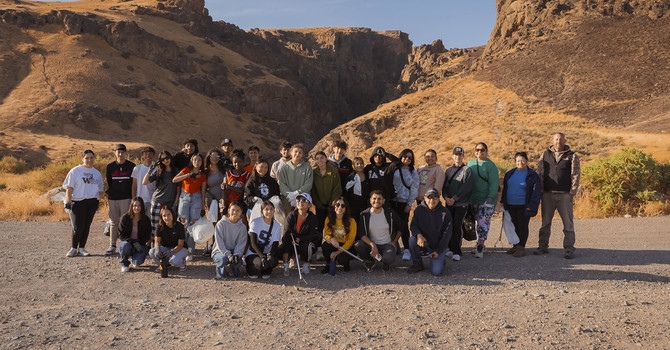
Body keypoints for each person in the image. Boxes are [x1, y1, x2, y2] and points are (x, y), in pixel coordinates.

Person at [535, 132, 581, 259]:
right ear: (552, 140)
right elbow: (540, 173)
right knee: (545, 223)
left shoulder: (572, 156)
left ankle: (569, 248)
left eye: (561, 140)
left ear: (565, 141)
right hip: (548, 194)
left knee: (568, 223)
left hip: (565, 195)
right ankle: (543, 246)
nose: (558, 142)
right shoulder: (545, 155)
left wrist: (572, 192)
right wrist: (540, 191)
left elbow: (576, 175)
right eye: (556, 140)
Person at [63, 149, 104, 257]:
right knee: (78, 226)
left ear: (94, 158)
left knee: (87, 225)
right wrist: (68, 201)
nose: (89, 160)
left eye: (91, 158)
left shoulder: (97, 173)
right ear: (82, 159)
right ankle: (73, 248)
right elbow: (69, 187)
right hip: (78, 201)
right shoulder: (75, 171)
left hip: (92, 202)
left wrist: (98, 201)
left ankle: (82, 248)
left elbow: (100, 189)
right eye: (87, 158)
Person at [501, 152, 542, 257]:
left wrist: (531, 206)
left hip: (524, 205)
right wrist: (503, 202)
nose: (520, 162)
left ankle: (521, 247)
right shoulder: (510, 173)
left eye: (523, 160)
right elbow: (505, 189)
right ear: (515, 162)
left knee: (522, 226)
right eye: (518, 161)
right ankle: (515, 246)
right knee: (513, 226)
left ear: (527, 161)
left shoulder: (532, 175)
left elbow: (535, 192)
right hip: (510, 205)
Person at [354, 190, 402, 271]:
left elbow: (401, 227)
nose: (376, 201)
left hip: (386, 245)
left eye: (379, 199)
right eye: (374, 198)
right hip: (371, 245)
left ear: (383, 201)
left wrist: (394, 241)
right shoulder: (364, 215)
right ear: (370, 200)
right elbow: (362, 234)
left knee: (389, 258)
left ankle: (385, 262)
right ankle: (370, 261)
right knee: (358, 245)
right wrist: (372, 245)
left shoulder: (390, 213)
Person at [407, 189, 452, 276]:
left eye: (435, 197)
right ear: (424, 198)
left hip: (437, 245)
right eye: (429, 197)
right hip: (424, 242)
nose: (432, 200)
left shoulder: (445, 212)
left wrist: (438, 251)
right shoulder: (418, 210)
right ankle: (417, 263)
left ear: (439, 199)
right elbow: (413, 226)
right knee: (412, 239)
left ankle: (441, 259)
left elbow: (447, 234)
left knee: (436, 272)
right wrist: (419, 235)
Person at [466, 142, 499, 259]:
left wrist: (490, 198)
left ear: (486, 151)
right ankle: (480, 244)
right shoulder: (470, 163)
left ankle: (480, 246)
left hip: (486, 201)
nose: (480, 152)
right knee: (475, 223)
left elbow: (494, 184)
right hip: (472, 199)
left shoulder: (491, 166)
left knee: (483, 223)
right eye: (477, 150)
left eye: (482, 150)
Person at [172, 153, 207, 258]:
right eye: (195, 159)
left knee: (193, 224)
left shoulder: (203, 175)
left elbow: (203, 191)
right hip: (185, 196)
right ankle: (182, 247)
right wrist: (188, 175)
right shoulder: (186, 169)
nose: (197, 162)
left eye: (199, 160)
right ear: (192, 161)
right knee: (183, 223)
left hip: (196, 198)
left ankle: (190, 250)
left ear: (202, 162)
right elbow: (174, 180)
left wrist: (203, 206)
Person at [442, 147, 474, 261]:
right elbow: (444, 186)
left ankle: (457, 251)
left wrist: (454, 199)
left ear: (463, 156)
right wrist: (445, 197)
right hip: (449, 203)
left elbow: (466, 188)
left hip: (461, 203)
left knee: (457, 226)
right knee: (449, 225)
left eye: (460, 155)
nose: (458, 157)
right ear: (452, 156)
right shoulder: (449, 170)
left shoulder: (467, 170)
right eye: (456, 154)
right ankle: (450, 249)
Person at [278, 193, 320, 276]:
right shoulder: (291, 215)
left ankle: (306, 263)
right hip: (292, 242)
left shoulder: (312, 218)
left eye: (304, 200)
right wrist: (292, 239)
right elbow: (287, 232)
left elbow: (314, 235)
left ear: (309, 205)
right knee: (279, 250)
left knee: (307, 246)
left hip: (305, 242)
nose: (300, 202)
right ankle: (288, 262)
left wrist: (301, 239)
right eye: (298, 200)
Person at [105, 144, 136, 256]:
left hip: (126, 198)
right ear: (115, 153)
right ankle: (112, 245)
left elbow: (133, 182)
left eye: (123, 152)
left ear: (126, 153)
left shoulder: (131, 166)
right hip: (113, 198)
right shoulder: (110, 166)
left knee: (126, 221)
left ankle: (125, 244)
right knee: (114, 222)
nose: (120, 154)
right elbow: (109, 182)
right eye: (118, 152)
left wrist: (132, 198)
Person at [392, 149, 419, 261]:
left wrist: (409, 204)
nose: (407, 159)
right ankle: (394, 247)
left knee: (403, 225)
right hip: (393, 201)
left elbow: (414, 188)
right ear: (401, 156)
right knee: (392, 225)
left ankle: (407, 249)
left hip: (404, 202)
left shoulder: (413, 172)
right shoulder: (394, 169)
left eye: (409, 158)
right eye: (405, 156)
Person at [142, 151, 178, 235]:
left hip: (170, 203)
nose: (166, 160)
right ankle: (155, 246)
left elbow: (178, 190)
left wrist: (175, 203)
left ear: (170, 158)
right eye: (163, 159)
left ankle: (166, 246)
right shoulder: (158, 171)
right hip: (157, 202)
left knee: (169, 226)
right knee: (155, 227)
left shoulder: (176, 172)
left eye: (167, 158)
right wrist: (150, 169)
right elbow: (145, 182)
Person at [246, 201, 282, 279]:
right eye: (266, 209)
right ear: (262, 211)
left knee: (273, 261)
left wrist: (271, 256)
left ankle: (266, 270)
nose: (269, 211)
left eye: (271, 209)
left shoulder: (277, 225)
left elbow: (275, 243)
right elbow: (253, 243)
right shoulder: (255, 222)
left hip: (266, 252)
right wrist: (262, 257)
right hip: (254, 252)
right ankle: (251, 269)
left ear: (274, 210)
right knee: (257, 265)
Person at [211, 202, 248, 279]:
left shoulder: (242, 227)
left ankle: (233, 268)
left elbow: (241, 244)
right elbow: (219, 243)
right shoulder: (220, 224)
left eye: (238, 210)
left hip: (234, 252)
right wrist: (228, 255)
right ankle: (219, 270)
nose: (235, 212)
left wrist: (236, 255)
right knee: (223, 260)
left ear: (241, 212)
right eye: (233, 210)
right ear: (228, 210)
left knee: (237, 262)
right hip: (220, 251)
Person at [321, 197, 357, 275]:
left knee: (342, 259)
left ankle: (346, 264)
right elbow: (326, 235)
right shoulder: (328, 219)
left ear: (346, 209)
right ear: (334, 206)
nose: (340, 207)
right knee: (325, 245)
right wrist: (331, 239)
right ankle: (328, 264)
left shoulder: (352, 221)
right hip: (334, 243)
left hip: (345, 245)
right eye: (337, 205)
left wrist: (338, 252)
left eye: (343, 206)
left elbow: (351, 240)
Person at [117, 197, 152, 272]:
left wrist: (139, 243)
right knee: (125, 246)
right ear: (131, 206)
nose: (137, 208)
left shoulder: (146, 220)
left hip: (140, 244)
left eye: (139, 206)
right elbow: (121, 235)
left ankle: (134, 258)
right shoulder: (125, 218)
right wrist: (133, 242)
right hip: (128, 242)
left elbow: (147, 236)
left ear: (142, 207)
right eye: (135, 205)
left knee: (137, 263)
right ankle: (124, 263)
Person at [149, 207, 188, 271]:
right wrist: (157, 249)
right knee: (152, 252)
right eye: (164, 215)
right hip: (166, 248)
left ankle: (182, 264)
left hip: (179, 248)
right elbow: (157, 241)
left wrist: (172, 252)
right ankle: (164, 265)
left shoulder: (179, 226)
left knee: (174, 261)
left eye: (168, 214)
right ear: (161, 217)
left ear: (172, 214)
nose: (167, 218)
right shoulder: (159, 226)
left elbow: (180, 245)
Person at [311, 151, 342, 233]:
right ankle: (319, 245)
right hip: (319, 206)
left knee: (331, 226)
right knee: (320, 226)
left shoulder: (333, 171)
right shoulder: (313, 173)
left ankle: (331, 244)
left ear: (326, 159)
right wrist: (318, 204)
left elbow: (337, 189)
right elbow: (312, 190)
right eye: (317, 158)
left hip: (331, 206)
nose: (319, 160)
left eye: (322, 158)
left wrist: (332, 203)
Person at [203, 148, 226, 256]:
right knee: (212, 222)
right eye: (213, 156)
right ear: (209, 157)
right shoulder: (205, 170)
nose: (215, 159)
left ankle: (220, 244)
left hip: (222, 199)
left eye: (217, 156)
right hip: (210, 199)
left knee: (221, 222)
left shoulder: (223, 169)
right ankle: (211, 245)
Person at [278, 143, 313, 207]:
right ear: (291, 153)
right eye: (295, 151)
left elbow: (308, 184)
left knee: (302, 216)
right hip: (287, 199)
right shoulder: (284, 168)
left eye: (300, 153)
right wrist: (289, 195)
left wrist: (297, 193)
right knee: (289, 216)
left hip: (303, 199)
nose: (297, 154)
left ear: (302, 155)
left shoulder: (307, 168)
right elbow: (282, 183)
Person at [221, 150, 250, 216]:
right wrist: (224, 205)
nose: (237, 164)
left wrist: (229, 187)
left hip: (240, 204)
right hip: (228, 203)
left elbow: (243, 190)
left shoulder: (247, 175)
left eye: (239, 162)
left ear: (243, 161)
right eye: (235, 162)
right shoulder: (228, 174)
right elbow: (224, 189)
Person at [131, 147, 156, 217]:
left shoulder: (157, 169)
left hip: (152, 200)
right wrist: (133, 199)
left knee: (150, 221)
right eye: (145, 154)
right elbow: (134, 185)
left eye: (150, 154)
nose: (148, 155)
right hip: (140, 199)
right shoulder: (137, 168)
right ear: (142, 156)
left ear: (153, 156)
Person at [344, 157, 370, 222]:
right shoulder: (350, 178)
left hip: (365, 205)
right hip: (353, 206)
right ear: (353, 166)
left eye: (361, 163)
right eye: (357, 164)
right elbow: (346, 191)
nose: (359, 165)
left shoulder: (367, 176)